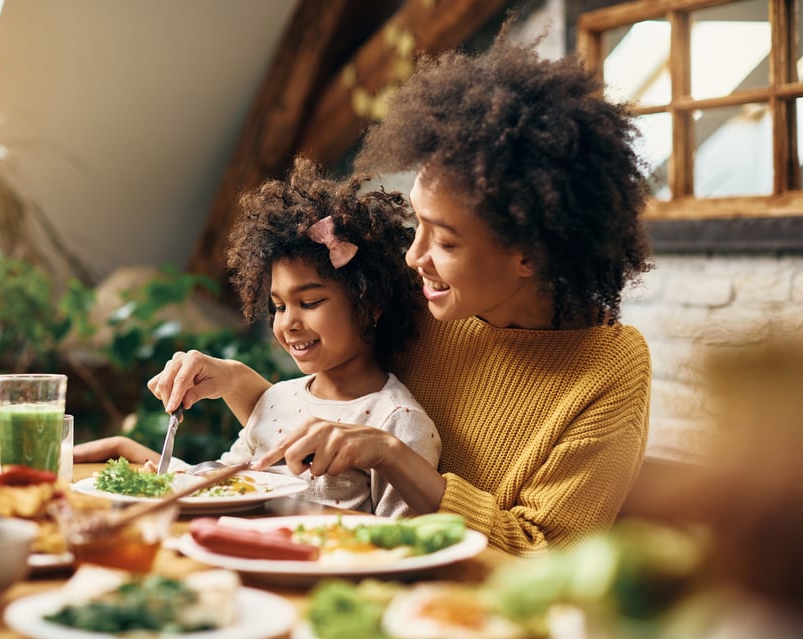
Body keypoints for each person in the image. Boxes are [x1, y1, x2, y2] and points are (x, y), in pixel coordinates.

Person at [148, 32, 653, 554]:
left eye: (447, 241)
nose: (415, 257)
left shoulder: (607, 371)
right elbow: (330, 419)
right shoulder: (423, 299)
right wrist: (233, 381)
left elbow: (540, 554)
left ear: (530, 253)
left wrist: (394, 457)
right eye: (419, 225)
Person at [78, 156, 440, 517]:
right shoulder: (276, 399)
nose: (288, 324)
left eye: (309, 302)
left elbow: (404, 539)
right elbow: (216, 486)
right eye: (279, 307)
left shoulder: (395, 419)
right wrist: (129, 451)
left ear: (370, 302)